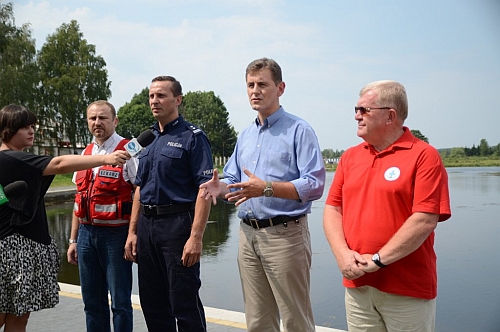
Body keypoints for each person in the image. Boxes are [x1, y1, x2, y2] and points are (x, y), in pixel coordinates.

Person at [200, 57, 325, 332]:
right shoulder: (245, 135)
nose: (255, 91)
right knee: (257, 321)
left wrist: (266, 187)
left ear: (280, 88)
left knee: (295, 320)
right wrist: (218, 188)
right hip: (248, 236)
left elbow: (314, 184)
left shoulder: (299, 130)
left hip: (285, 236)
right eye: (250, 85)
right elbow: (233, 180)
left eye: (262, 85)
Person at [323, 80, 451, 331]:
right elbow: (332, 209)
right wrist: (343, 256)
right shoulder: (350, 156)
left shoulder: (424, 156)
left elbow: (424, 219)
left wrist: (378, 260)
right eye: (356, 109)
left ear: (390, 115)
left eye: (364, 110)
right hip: (357, 286)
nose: (356, 116)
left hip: (406, 290)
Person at [0, 104, 129, 332]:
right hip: (13, 251)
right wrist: (106, 159)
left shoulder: (15, 160)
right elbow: (59, 164)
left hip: (109, 233)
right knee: (9, 313)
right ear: (8, 130)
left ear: (115, 121)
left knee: (18, 315)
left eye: (32, 126)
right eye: (24, 127)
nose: (31, 131)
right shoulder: (12, 159)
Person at [124, 76, 213, 332]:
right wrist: (132, 232)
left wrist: (196, 237)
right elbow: (139, 188)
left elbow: (205, 190)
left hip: (177, 226)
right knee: (152, 303)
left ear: (177, 100)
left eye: (161, 95)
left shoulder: (193, 137)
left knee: (183, 302)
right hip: (147, 227)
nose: (155, 101)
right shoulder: (147, 139)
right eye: (151, 96)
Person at [67, 100, 138, 332]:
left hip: (116, 236)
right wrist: (73, 240)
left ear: (115, 121)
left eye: (103, 118)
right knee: (92, 302)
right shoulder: (84, 154)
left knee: (120, 302)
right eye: (93, 118)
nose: (97, 123)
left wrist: (132, 234)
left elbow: (140, 193)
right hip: (87, 235)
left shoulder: (130, 150)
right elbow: (79, 198)